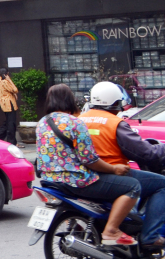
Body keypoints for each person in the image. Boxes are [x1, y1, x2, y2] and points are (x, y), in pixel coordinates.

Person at [37, 84, 141, 245]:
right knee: (133, 186)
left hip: (50, 180)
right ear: (70, 100)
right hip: (77, 180)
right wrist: (114, 168)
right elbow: (89, 160)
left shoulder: (42, 123)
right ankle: (111, 230)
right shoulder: (75, 122)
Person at [79, 82, 165, 246]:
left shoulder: (80, 119)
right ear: (114, 102)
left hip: (86, 174)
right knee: (162, 184)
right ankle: (150, 237)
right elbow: (144, 152)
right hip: (113, 174)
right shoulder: (115, 123)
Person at [0, 69, 20, 145]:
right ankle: (11, 141)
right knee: (11, 123)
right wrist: (10, 80)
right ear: (7, 74)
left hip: (5, 104)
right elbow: (15, 90)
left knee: (8, 122)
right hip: (9, 103)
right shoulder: (5, 81)